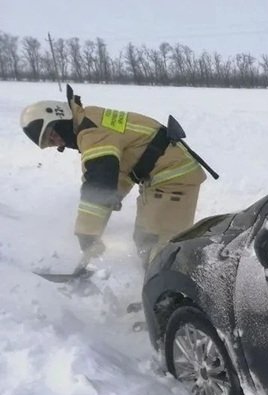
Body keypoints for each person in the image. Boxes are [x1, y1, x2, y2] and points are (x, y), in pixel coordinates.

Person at [20, 85, 208, 267]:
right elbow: (120, 168)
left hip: (173, 175)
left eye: (51, 134)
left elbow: (100, 180)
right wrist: (113, 197)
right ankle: (156, 288)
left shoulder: (90, 131)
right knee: (145, 239)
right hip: (161, 176)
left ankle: (172, 296)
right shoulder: (90, 120)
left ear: (58, 116)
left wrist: (87, 231)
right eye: (50, 142)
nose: (56, 141)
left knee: (162, 245)